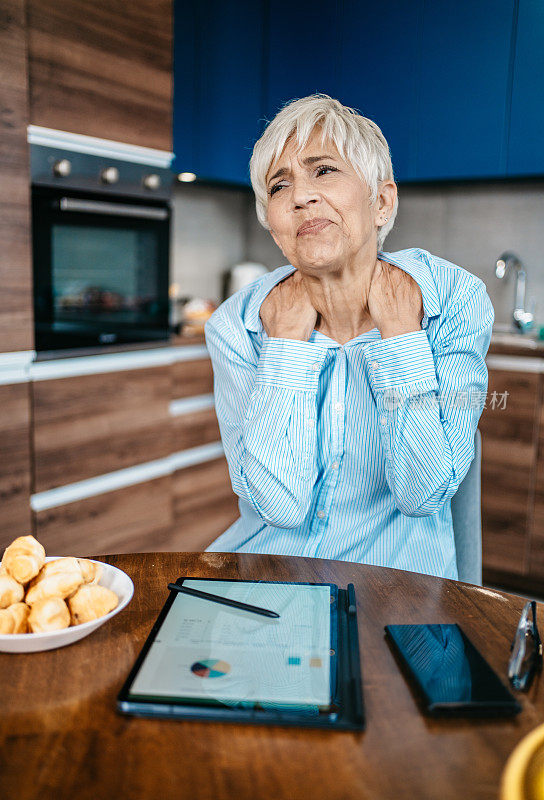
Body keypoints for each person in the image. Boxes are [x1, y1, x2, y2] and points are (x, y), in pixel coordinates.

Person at [204, 94, 494, 579]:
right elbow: (280, 507)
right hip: (272, 573)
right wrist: (286, 352)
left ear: (381, 201)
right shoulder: (238, 325)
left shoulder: (453, 300)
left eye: (323, 171)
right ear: (272, 225)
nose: (300, 196)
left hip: (400, 581)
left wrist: (401, 338)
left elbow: (424, 494)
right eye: (279, 186)